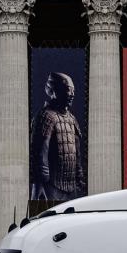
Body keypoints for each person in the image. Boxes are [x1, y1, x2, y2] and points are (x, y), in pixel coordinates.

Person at [30, 71, 86, 201]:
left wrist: (79, 178)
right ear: (56, 90)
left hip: (71, 187)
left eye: (73, 90)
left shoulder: (72, 119)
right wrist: (40, 184)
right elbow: (39, 153)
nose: (72, 94)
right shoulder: (46, 116)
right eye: (68, 90)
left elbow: (77, 154)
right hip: (51, 186)